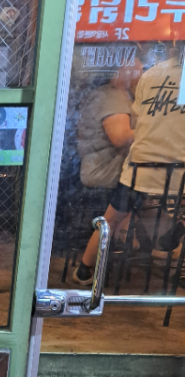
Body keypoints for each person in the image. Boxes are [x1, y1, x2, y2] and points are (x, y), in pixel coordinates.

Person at [74, 46, 185, 285]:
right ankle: (166, 243)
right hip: (175, 170)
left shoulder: (152, 74)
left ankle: (85, 268)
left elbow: (142, 114)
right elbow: (123, 134)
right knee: (165, 204)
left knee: (113, 217)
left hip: (139, 167)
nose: (140, 65)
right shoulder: (114, 94)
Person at [76, 59, 140, 191]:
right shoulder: (112, 96)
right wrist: (154, 132)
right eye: (139, 66)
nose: (142, 67)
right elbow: (120, 137)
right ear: (123, 67)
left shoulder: (123, 94)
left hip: (108, 176)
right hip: (104, 174)